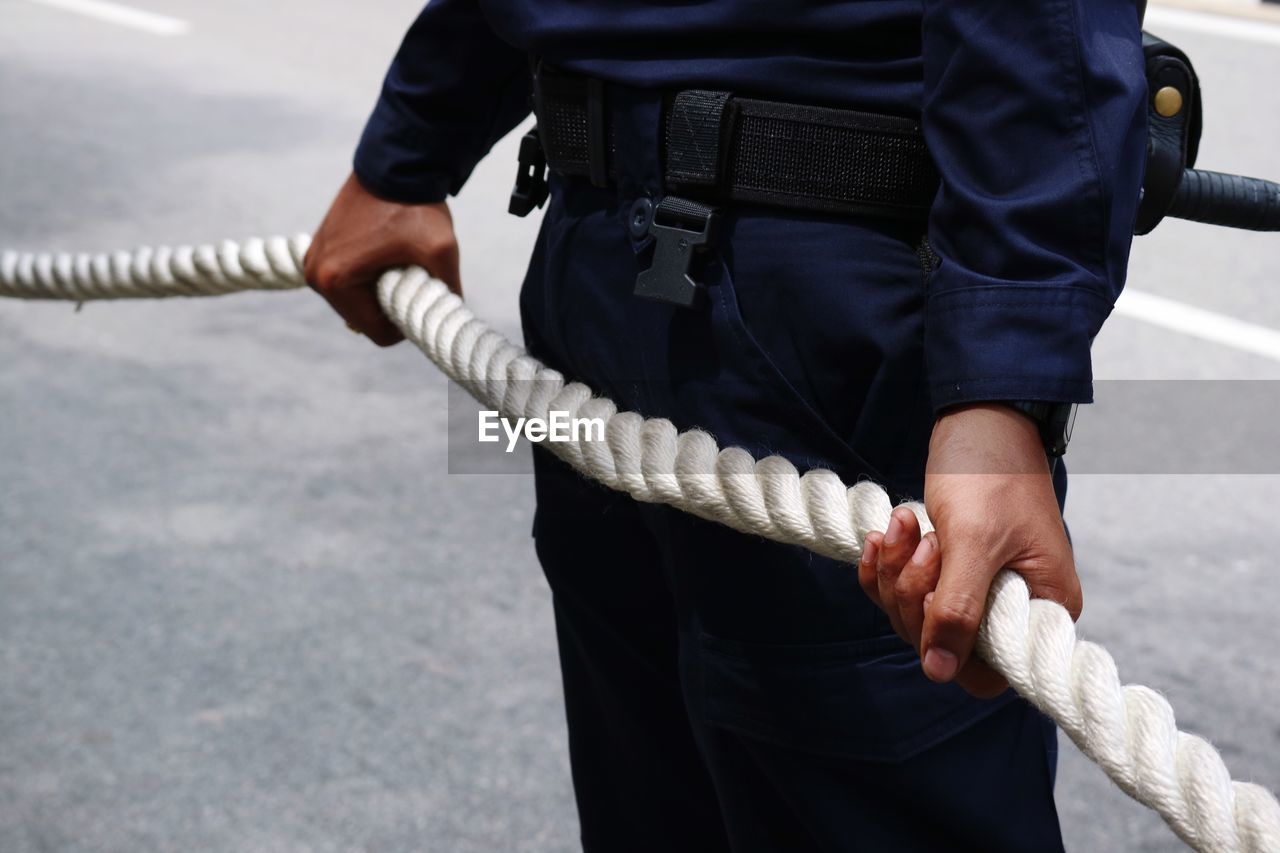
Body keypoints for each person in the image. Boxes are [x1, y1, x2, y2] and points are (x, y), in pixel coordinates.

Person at [303, 1, 1147, 850]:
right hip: (602, 253)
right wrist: (407, 150)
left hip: (828, 299)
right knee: (649, 806)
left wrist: (999, 395)